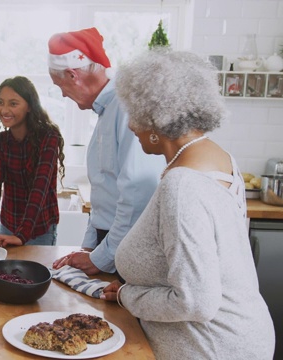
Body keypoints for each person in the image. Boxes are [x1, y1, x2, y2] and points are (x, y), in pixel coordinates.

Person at [100, 49, 275, 359]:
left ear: (155, 121)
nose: (129, 126)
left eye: (133, 114)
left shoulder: (182, 186)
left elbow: (195, 301)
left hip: (213, 348)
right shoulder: (218, 158)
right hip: (243, 337)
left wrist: (129, 295)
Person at [48, 28, 164, 274]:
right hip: (111, 244)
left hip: (127, 247)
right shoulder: (106, 110)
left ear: (73, 74)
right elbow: (105, 190)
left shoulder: (125, 109)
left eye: (60, 85)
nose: (62, 94)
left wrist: (104, 256)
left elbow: (138, 192)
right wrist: (90, 247)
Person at [0, 76, 66, 246]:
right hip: (9, 225)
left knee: (35, 273)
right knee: (7, 273)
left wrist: (22, 235)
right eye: (0, 102)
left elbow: (39, 189)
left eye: (13, 103)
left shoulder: (48, 138)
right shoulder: (0, 143)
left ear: (29, 107)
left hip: (39, 229)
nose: (4, 110)